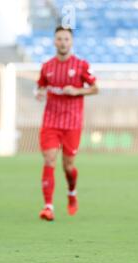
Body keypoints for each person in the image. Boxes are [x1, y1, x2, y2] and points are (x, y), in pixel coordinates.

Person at [35, 26, 98, 221]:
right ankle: (48, 207)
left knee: (68, 166)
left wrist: (77, 91)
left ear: (71, 42)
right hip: (51, 121)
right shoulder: (47, 66)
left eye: (66, 39)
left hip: (72, 123)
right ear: (54, 41)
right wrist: (40, 92)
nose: (63, 42)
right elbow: (41, 85)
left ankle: (72, 193)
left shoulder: (81, 65)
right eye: (59, 39)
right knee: (49, 160)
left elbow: (95, 88)